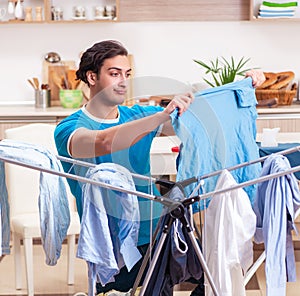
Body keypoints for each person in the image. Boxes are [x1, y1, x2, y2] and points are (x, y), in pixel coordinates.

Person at [54, 40, 265, 295]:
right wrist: (159, 117)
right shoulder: (68, 128)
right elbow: (104, 141)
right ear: (91, 77)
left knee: (213, 276)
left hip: (158, 230)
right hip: (112, 247)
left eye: (126, 74)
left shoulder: (138, 114)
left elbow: (194, 119)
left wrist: (240, 89)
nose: (123, 81)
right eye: (114, 73)